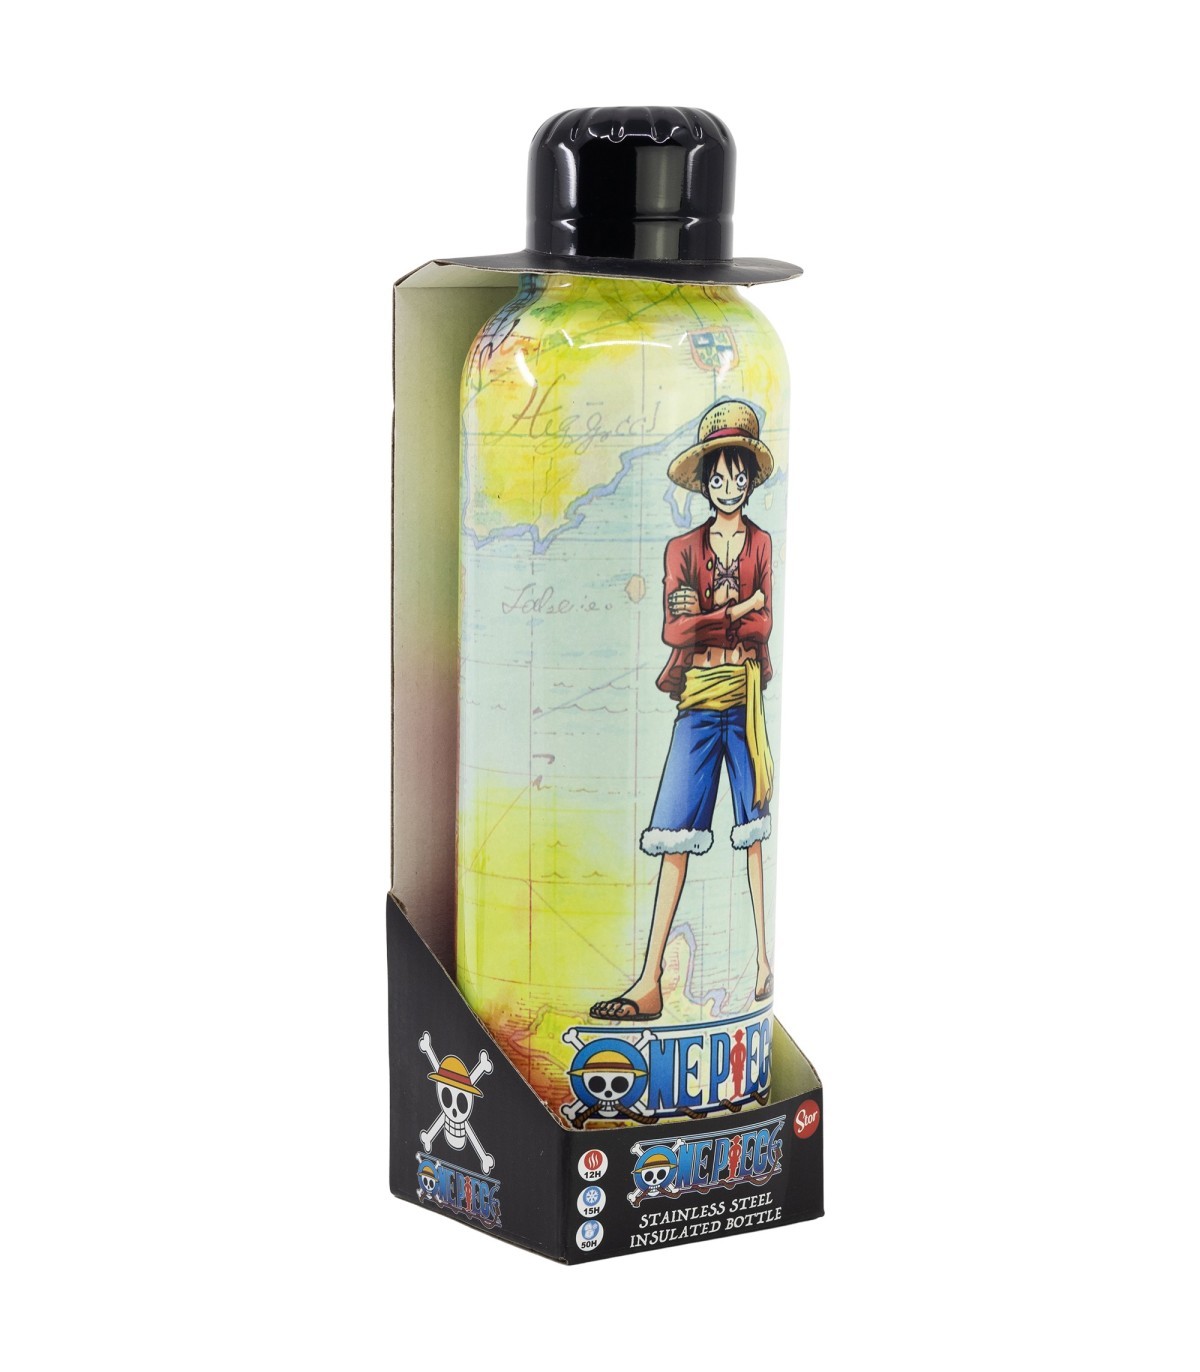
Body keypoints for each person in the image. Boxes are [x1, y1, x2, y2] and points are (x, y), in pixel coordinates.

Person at [591, 400, 776, 1021]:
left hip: (745, 699)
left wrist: (720, 616)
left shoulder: (762, 544)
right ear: (704, 482)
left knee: (754, 834)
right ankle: (650, 981)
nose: (729, 486)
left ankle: (764, 963)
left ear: (750, 478)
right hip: (697, 701)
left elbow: (767, 623)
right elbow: (676, 631)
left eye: (738, 475)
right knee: (674, 834)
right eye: (718, 477)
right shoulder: (682, 549)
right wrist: (735, 611)